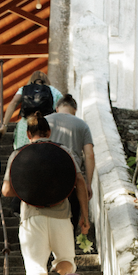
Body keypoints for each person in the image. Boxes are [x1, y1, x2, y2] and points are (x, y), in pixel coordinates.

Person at [1, 113, 89, 275]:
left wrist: (27, 185)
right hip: (61, 216)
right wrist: (84, 216)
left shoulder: (18, 154)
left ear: (28, 133)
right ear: (49, 132)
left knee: (34, 270)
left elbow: (6, 191)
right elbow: (80, 182)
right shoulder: (63, 151)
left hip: (32, 218)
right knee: (66, 261)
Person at [49, 94, 96, 241]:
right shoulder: (82, 125)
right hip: (72, 177)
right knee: (71, 216)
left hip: (47, 175)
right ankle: (66, 248)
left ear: (57, 108)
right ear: (74, 109)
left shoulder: (45, 121)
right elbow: (89, 155)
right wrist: (88, 183)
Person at [0, 78, 63, 147]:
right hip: (46, 126)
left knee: (22, 151)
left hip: (25, 126)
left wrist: (4, 126)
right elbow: (63, 105)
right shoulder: (53, 90)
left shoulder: (24, 89)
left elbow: (13, 103)